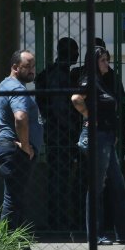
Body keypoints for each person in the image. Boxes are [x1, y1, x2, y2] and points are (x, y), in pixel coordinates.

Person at [71, 45, 125, 245]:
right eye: (103, 60)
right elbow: (76, 98)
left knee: (118, 184)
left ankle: (124, 233)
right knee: (97, 187)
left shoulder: (101, 82)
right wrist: (89, 117)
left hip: (106, 138)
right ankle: (96, 235)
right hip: (96, 137)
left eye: (107, 60)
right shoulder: (88, 79)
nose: (107, 64)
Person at [0, 49, 43, 250]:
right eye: (27, 67)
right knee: (15, 198)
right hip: (16, 150)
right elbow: (20, 118)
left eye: (33, 66)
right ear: (15, 67)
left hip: (9, 147)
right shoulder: (16, 88)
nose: (32, 71)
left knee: (13, 196)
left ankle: (10, 244)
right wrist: (25, 145)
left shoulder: (4, 85)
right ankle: (12, 246)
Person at [35, 37, 83, 230]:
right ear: (68, 53)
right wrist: (73, 132)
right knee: (60, 180)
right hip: (62, 136)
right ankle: (59, 222)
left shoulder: (51, 73)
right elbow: (59, 109)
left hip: (56, 134)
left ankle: (58, 220)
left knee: (59, 178)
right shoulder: (59, 75)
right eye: (75, 51)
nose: (78, 55)